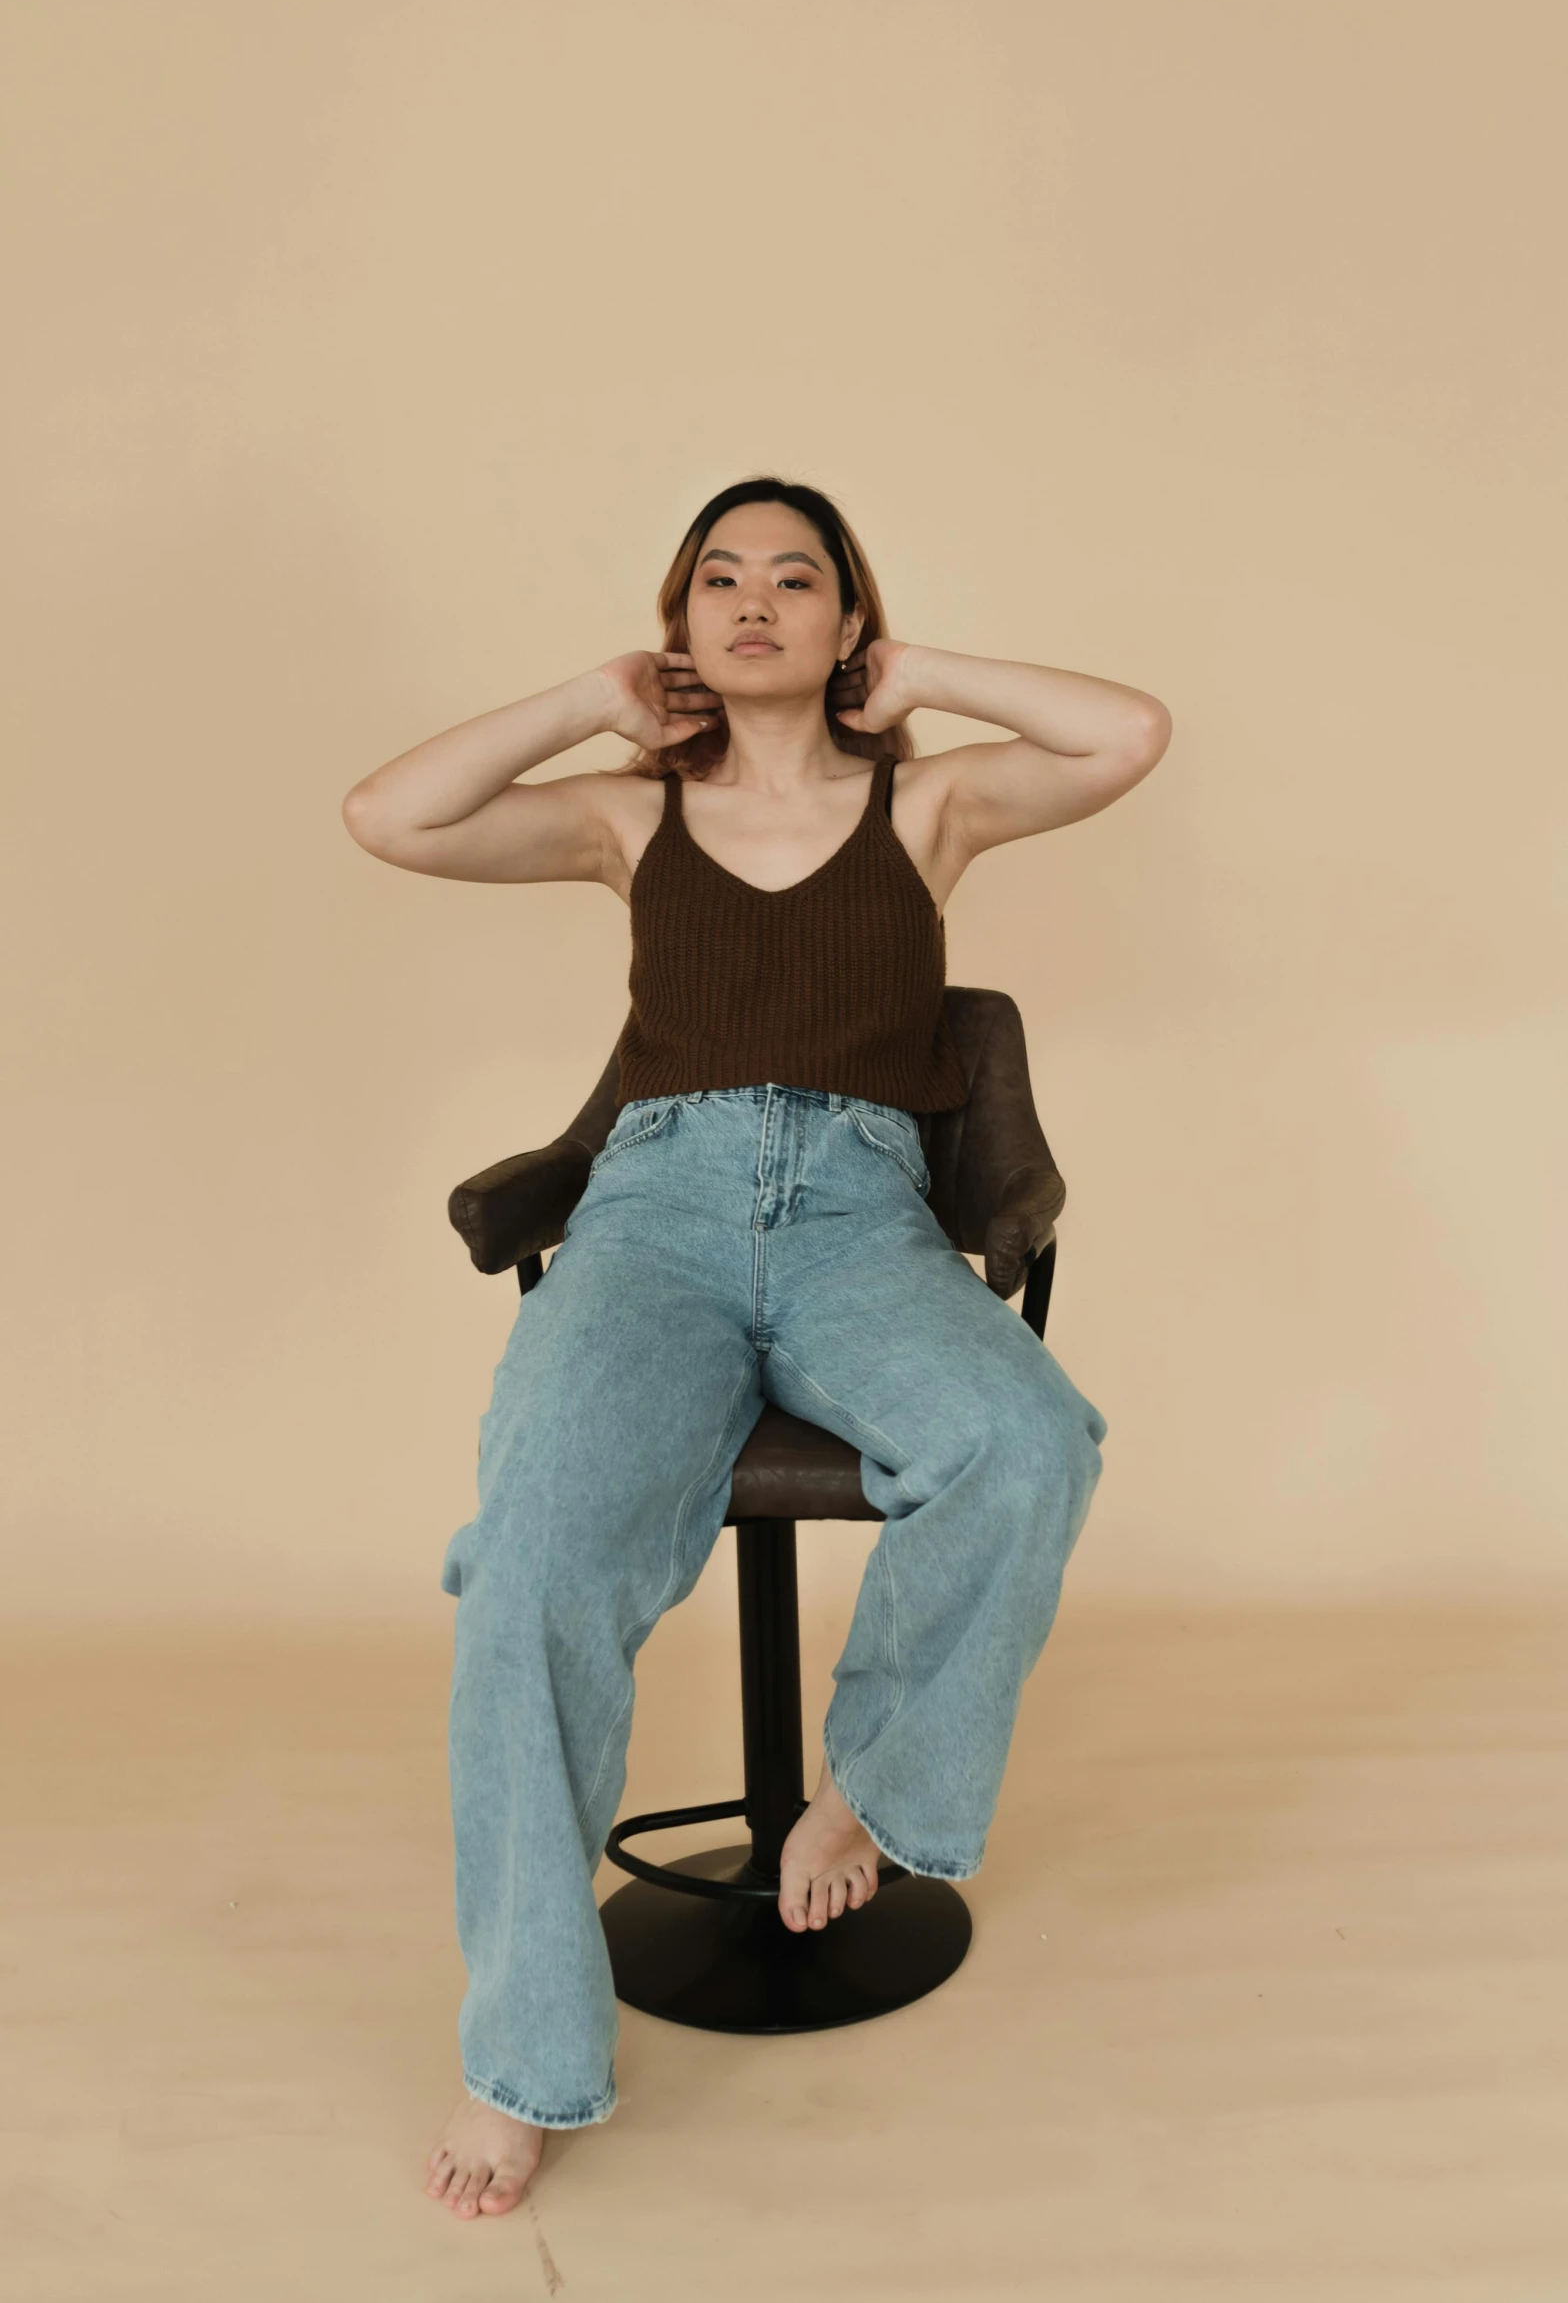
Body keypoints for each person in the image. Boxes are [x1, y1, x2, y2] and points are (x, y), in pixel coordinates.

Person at [341, 475, 1171, 2219]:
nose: (756, 600)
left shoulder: (926, 804)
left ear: (844, 623)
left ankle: (866, 1797)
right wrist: (589, 700)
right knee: (536, 1565)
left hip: (868, 1214)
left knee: (1029, 1443)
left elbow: (1128, 733)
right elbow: (388, 815)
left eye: (799, 578)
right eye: (721, 576)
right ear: (683, 619)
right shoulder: (629, 817)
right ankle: (524, 2060)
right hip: (655, 1218)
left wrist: (927, 666)